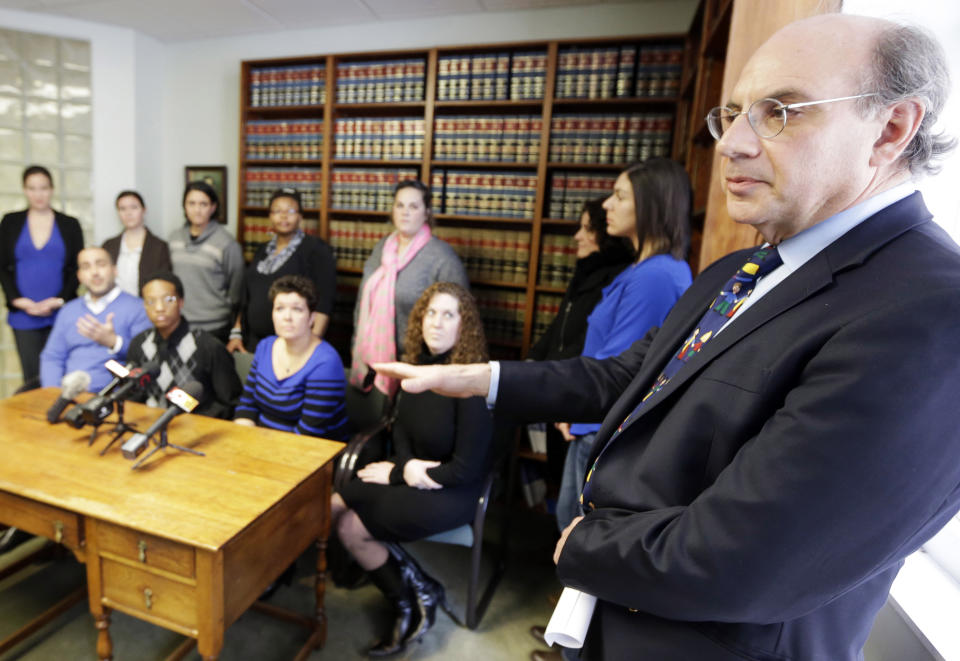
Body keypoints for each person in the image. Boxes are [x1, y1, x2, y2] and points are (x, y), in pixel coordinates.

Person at [374, 15, 960, 661]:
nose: (732, 143)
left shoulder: (931, 312)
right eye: (732, 113)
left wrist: (580, 544)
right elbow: (633, 375)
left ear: (893, 128)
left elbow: (747, 558)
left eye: (782, 111)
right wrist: (484, 377)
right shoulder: (743, 267)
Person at [334, 282, 493, 657]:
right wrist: (403, 469)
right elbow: (401, 432)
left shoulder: (472, 383)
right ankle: (420, 588)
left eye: (448, 315)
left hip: (454, 491)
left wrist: (406, 473)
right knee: (335, 502)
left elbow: (467, 469)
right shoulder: (415, 371)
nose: (436, 323)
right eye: (430, 313)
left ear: (464, 325)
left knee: (351, 526)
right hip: (412, 475)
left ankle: (407, 601)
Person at [348, 179, 469, 422]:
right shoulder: (382, 248)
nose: (405, 212)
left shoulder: (442, 257)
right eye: (400, 205)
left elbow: (461, 320)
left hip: (417, 369)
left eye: (413, 206)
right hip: (374, 362)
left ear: (427, 212)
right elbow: (364, 302)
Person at [234, 275, 348, 440]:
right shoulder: (265, 347)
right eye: (279, 308)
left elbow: (308, 434)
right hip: (259, 442)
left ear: (311, 318)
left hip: (310, 452)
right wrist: (244, 439)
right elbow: (247, 405)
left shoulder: (326, 363)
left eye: (297, 309)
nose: (287, 317)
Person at [0, 165, 84, 386]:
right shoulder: (10, 222)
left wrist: (59, 300)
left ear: (52, 189)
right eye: (32, 188)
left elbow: (77, 268)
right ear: (24, 190)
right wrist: (18, 300)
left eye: (44, 188)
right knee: (32, 379)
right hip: (23, 314)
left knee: (62, 377)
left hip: (61, 313)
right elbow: (2, 266)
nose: (38, 194)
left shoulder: (70, 224)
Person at [226, 188, 336, 353]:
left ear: (300, 216)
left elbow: (324, 303)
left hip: (295, 345)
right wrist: (236, 333)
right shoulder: (262, 250)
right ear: (270, 216)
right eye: (277, 211)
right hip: (253, 344)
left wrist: (312, 345)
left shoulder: (316, 249)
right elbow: (246, 297)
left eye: (290, 211)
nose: (283, 216)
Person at [127, 272, 242, 419]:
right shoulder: (139, 344)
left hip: (196, 428)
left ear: (181, 302)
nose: (159, 307)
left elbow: (229, 401)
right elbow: (134, 395)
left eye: (168, 299)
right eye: (151, 301)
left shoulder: (208, 346)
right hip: (149, 425)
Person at [39, 247, 152, 392]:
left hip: (116, 398)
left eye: (101, 264)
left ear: (114, 270)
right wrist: (52, 393)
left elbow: (147, 357)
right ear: (79, 276)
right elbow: (52, 357)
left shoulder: (137, 308)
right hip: (69, 395)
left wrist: (114, 342)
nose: (94, 273)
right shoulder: (68, 311)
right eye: (86, 267)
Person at [168, 181, 244, 343]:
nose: (197, 209)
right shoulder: (174, 238)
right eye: (192, 203)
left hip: (214, 326)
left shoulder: (227, 243)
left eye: (203, 204)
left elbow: (236, 289)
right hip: (179, 323)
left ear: (213, 207)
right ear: (185, 206)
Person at [102, 190, 172, 297]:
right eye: (122, 209)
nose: (128, 213)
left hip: (146, 307)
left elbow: (164, 283)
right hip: (114, 307)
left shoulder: (159, 247)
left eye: (134, 207)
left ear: (144, 210)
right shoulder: (108, 245)